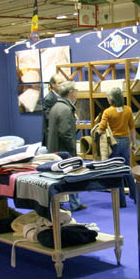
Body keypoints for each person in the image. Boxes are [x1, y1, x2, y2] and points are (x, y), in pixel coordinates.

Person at [47, 81, 85, 212]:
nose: (77, 93)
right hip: (65, 151)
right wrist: (72, 149)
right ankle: (75, 204)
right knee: (72, 176)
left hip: (55, 149)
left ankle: (64, 203)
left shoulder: (56, 106)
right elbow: (65, 133)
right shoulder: (65, 109)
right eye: (76, 91)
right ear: (71, 92)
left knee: (60, 178)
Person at [97, 87, 137, 207]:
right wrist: (134, 143)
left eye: (108, 97)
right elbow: (132, 128)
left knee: (116, 171)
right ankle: (136, 196)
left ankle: (121, 201)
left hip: (113, 143)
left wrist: (97, 132)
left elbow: (101, 129)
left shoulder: (107, 112)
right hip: (125, 141)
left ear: (112, 99)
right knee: (127, 169)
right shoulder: (128, 110)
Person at [41, 73, 64, 147]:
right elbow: (50, 117)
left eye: (63, 83)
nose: (62, 85)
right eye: (59, 83)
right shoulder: (49, 99)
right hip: (52, 137)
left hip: (60, 135)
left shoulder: (62, 96)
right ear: (53, 85)